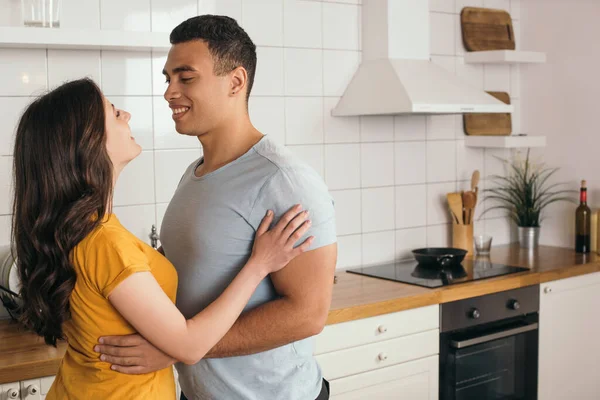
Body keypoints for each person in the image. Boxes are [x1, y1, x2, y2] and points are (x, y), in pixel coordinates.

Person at [12, 77, 314, 400]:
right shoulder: (105, 243)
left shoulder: (82, 231)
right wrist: (259, 264)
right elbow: (191, 346)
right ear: (87, 144)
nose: (126, 115)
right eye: (114, 113)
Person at [95, 14, 338, 400]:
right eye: (168, 79)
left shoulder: (283, 179)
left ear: (235, 82)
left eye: (185, 78)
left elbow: (308, 314)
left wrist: (177, 348)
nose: (169, 92)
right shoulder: (194, 174)